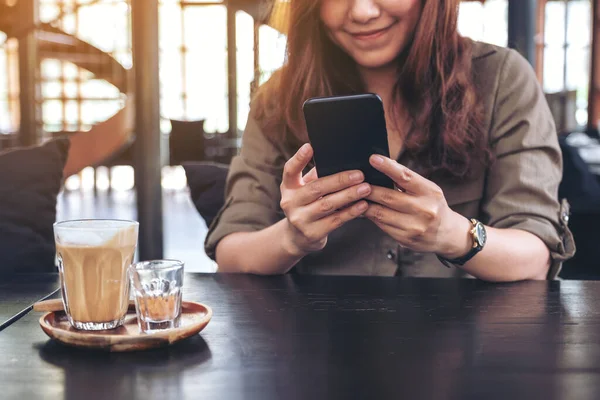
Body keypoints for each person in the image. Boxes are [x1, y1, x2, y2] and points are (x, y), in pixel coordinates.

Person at [205, 0, 575, 281]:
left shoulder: (501, 78)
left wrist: (451, 233)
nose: (362, 11)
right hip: (318, 350)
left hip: (469, 352)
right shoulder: (278, 97)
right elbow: (232, 252)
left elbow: (535, 255)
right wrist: (292, 238)